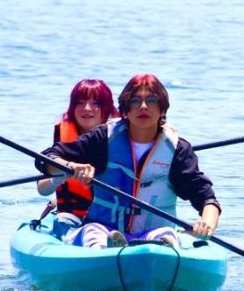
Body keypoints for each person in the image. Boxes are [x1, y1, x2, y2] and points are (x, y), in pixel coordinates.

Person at [36, 73, 220, 249]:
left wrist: (207, 222)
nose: (143, 106)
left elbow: (205, 196)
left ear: (162, 109)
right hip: (103, 228)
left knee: (166, 236)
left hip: (154, 232)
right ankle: (110, 253)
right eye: (135, 100)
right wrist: (70, 166)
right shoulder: (102, 139)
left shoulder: (178, 150)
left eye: (152, 100)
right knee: (94, 233)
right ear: (125, 109)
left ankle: (157, 253)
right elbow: (46, 158)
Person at [36, 79, 119, 238]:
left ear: (107, 107)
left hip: (113, 217)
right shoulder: (65, 144)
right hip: (72, 216)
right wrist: (58, 177)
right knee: (64, 221)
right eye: (80, 103)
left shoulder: (121, 137)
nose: (87, 108)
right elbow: (42, 189)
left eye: (95, 103)